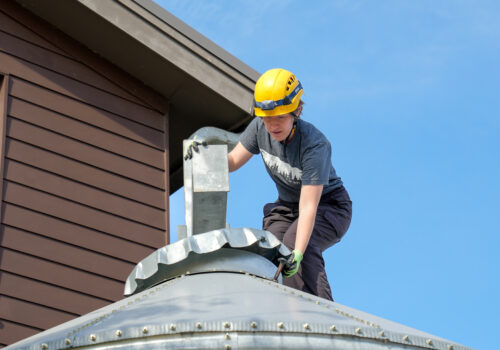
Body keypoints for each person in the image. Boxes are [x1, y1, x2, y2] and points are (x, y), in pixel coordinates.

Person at [227, 68, 352, 300]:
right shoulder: (258, 129)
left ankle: (320, 311)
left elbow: (308, 208)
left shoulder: (314, 145)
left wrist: (297, 253)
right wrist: (207, 158)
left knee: (295, 247)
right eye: (267, 118)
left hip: (329, 206)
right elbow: (233, 161)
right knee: (270, 247)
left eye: (281, 117)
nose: (273, 125)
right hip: (287, 207)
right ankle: (280, 306)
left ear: (297, 111)